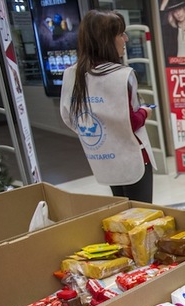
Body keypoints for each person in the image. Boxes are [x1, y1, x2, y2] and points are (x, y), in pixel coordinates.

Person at [60, 10, 156, 203]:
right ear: (106, 40)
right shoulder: (121, 76)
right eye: (120, 34)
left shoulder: (72, 74)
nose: (126, 39)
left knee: (120, 212)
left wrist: (104, 134)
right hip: (132, 158)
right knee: (141, 217)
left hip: (104, 157)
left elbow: (69, 116)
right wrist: (145, 112)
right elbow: (130, 122)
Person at [160, 0, 185, 64]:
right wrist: (163, 6)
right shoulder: (170, 30)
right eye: (175, 12)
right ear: (172, 15)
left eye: (180, 9)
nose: (178, 14)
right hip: (175, 68)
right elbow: (157, 26)